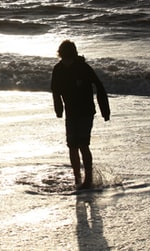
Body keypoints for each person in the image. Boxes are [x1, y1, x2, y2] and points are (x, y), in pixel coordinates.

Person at [51, 40, 110, 189]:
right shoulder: (58, 69)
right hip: (70, 113)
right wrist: (58, 110)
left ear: (74, 55)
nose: (67, 62)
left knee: (83, 144)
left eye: (69, 59)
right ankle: (77, 179)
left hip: (86, 112)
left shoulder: (83, 68)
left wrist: (105, 111)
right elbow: (55, 92)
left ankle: (88, 179)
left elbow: (99, 86)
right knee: (72, 146)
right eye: (64, 59)